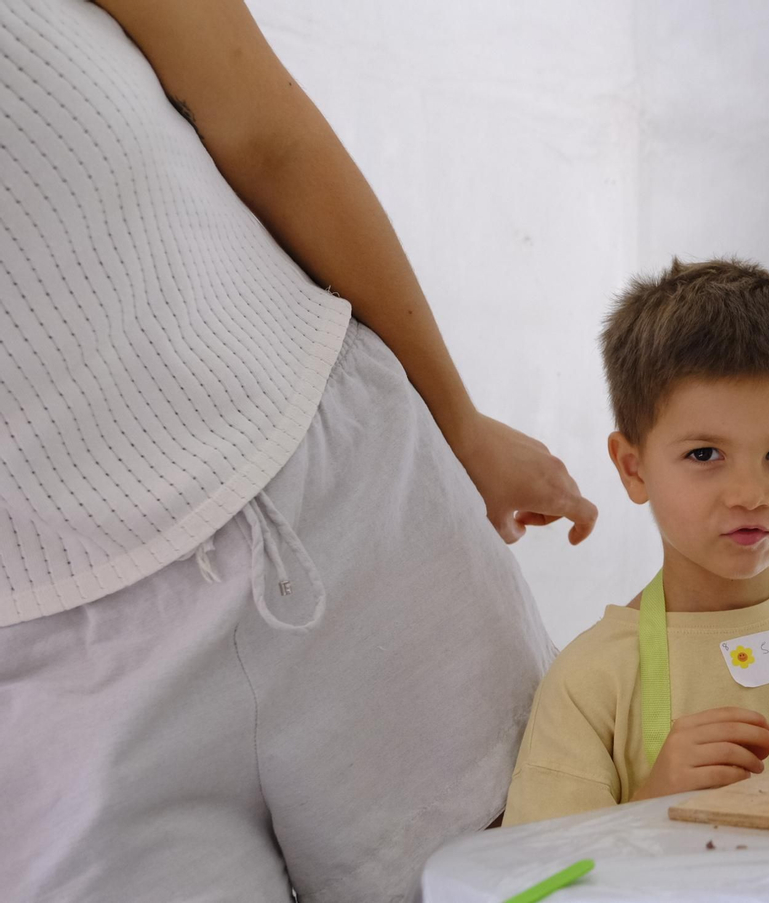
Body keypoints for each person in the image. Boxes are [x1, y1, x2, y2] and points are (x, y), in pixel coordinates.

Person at [0, 1, 595, 900]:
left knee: (533, 880)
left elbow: (268, 134)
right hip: (60, 690)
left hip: (354, 513)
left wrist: (459, 422)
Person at [502, 259, 769, 825]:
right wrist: (651, 803)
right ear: (633, 468)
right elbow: (542, 869)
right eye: (705, 454)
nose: (751, 495)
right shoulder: (590, 681)